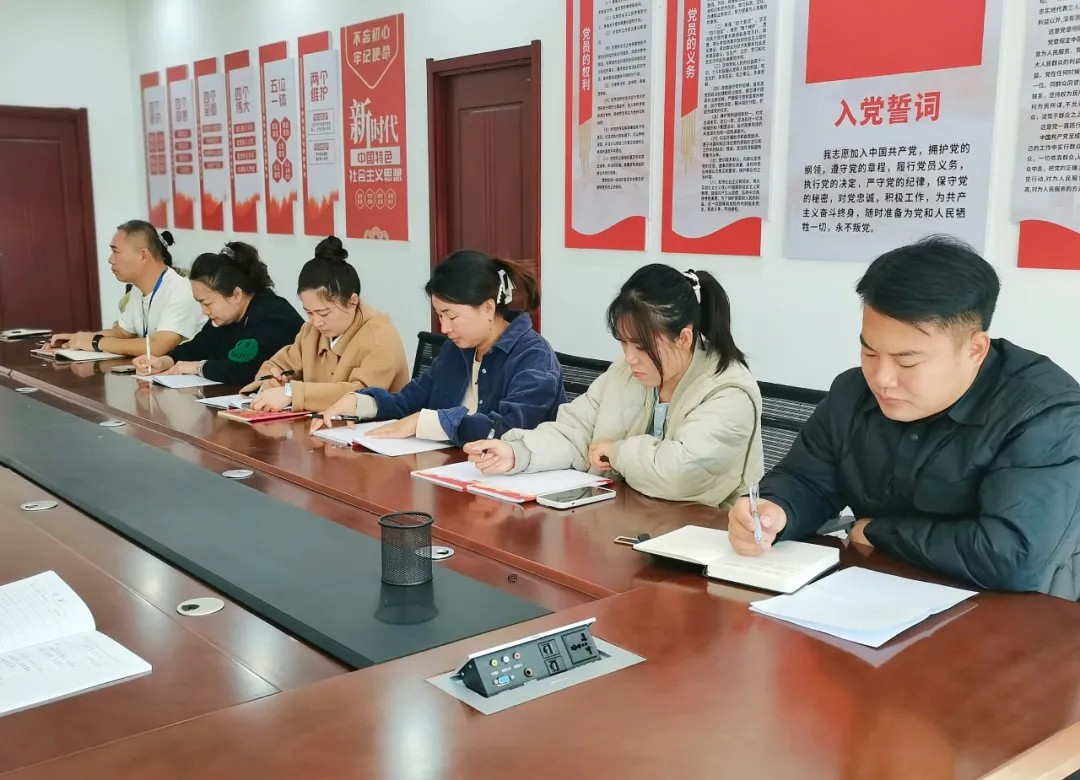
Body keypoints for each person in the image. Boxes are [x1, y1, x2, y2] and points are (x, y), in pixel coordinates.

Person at [728, 236, 1080, 598]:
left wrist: (878, 532)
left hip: (1023, 613)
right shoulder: (852, 393)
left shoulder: (1044, 413)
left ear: (975, 349)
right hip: (878, 594)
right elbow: (807, 479)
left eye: (907, 361)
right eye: (869, 352)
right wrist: (775, 510)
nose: (882, 379)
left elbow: (1013, 555)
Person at [463, 264, 764, 508]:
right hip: (626, 522)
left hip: (700, 537)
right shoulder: (625, 372)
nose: (629, 357)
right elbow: (575, 430)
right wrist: (517, 452)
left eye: (641, 346)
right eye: (624, 343)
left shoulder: (729, 392)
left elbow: (681, 474)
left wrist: (616, 453)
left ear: (683, 338)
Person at [311, 250, 564, 446]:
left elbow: (506, 429)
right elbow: (409, 401)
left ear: (488, 308)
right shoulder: (456, 349)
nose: (444, 328)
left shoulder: (533, 356)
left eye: (451, 316)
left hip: (512, 485)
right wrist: (360, 403)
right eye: (439, 315)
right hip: (450, 471)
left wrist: (428, 422)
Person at [241, 236, 409, 413]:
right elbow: (277, 366)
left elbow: (360, 397)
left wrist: (291, 393)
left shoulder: (379, 338)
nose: (316, 322)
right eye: (309, 312)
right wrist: (272, 382)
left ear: (352, 301)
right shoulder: (311, 331)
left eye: (324, 313)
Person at [132, 242, 303, 384]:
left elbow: (248, 370)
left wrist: (197, 367)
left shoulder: (273, 315)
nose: (204, 311)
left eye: (207, 303)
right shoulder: (226, 318)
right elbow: (198, 347)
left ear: (236, 295)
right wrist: (166, 361)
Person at [49, 221, 205, 356]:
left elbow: (158, 347)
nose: (110, 260)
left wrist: (96, 342)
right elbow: (123, 332)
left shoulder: (180, 290)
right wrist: (77, 339)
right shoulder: (138, 288)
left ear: (143, 255)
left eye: (116, 252)